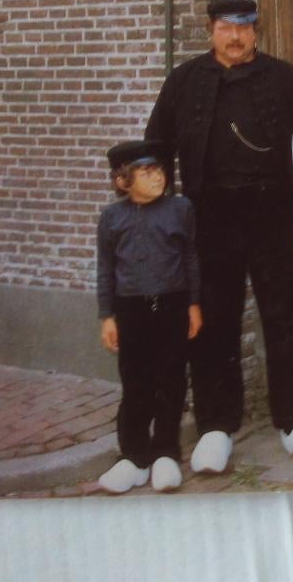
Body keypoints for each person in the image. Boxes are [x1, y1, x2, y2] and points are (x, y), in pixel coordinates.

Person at [144, 0, 293, 473]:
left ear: (256, 30)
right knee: (213, 324)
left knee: (287, 318)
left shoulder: (286, 79)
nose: (235, 36)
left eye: (244, 27)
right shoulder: (183, 82)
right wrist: (162, 216)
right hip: (209, 218)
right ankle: (215, 427)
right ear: (211, 29)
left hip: (274, 216)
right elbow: (156, 150)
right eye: (226, 27)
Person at [95, 140, 203, 493]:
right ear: (123, 181)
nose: (158, 177)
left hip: (172, 304)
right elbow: (106, 268)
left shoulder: (179, 209)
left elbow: (190, 258)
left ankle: (165, 453)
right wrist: (107, 315)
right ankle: (135, 458)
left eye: (159, 170)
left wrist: (193, 304)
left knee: (171, 380)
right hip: (130, 309)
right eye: (146, 172)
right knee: (136, 382)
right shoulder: (112, 218)